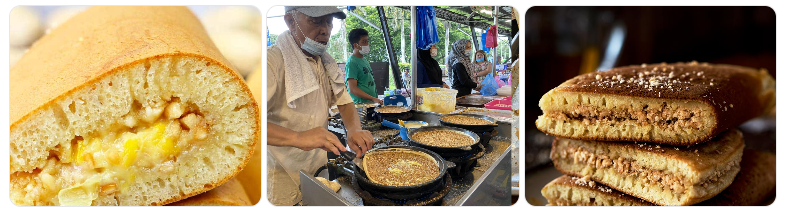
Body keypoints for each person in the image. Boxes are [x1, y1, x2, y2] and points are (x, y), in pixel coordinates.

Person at [266, 6, 374, 206]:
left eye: (329, 21)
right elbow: (243, 123)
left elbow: (345, 101)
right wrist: (297, 137)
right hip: (281, 177)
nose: (325, 29)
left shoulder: (325, 61)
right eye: (316, 21)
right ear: (290, 21)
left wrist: (354, 129)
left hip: (317, 169)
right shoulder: (271, 62)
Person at [345, 28, 383, 104]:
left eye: (367, 41)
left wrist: (375, 99)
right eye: (364, 42)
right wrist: (372, 99)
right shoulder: (352, 62)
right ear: (356, 45)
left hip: (370, 104)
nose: (367, 44)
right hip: (360, 106)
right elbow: (352, 89)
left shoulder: (364, 59)